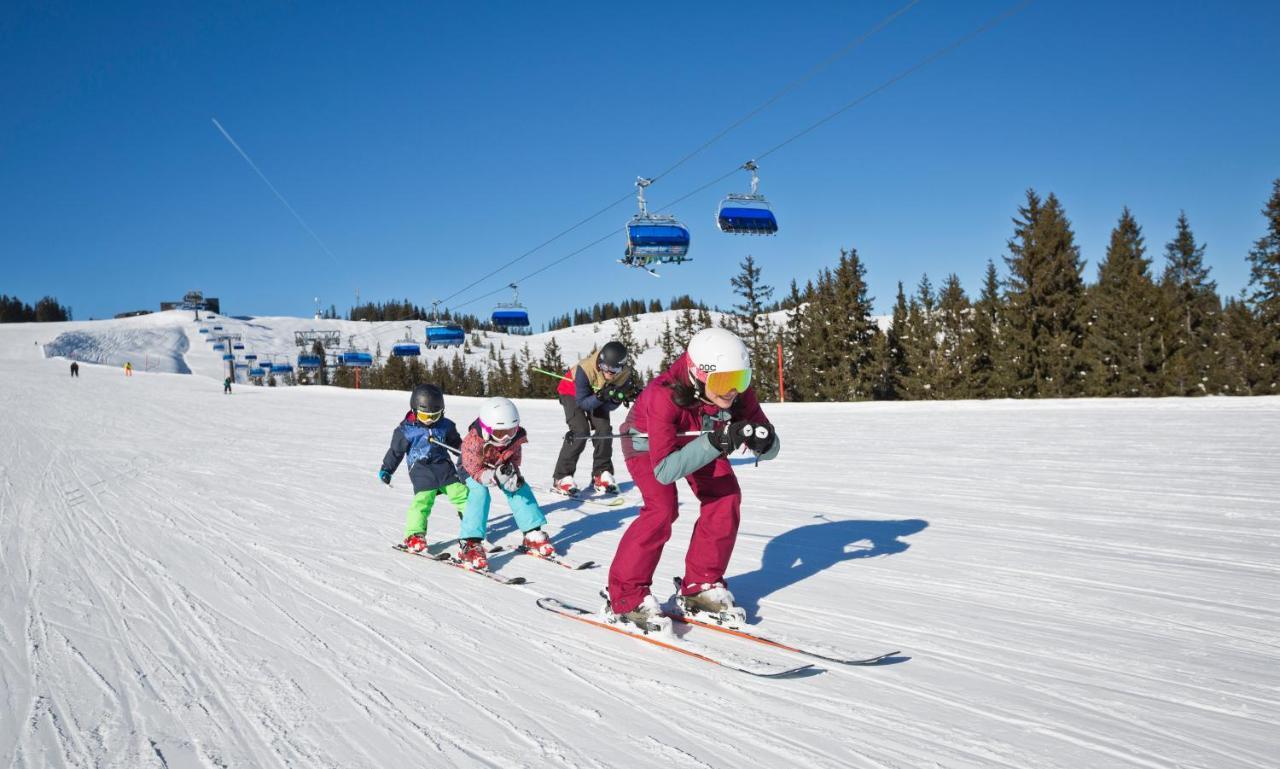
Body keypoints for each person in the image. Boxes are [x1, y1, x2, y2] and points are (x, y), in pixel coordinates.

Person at [606, 327, 780, 631]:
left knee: (725, 497)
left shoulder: (737, 393)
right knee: (661, 509)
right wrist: (717, 441)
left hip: (700, 439)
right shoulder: (664, 394)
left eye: (741, 379)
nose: (733, 391)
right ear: (697, 373)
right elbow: (665, 471)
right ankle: (625, 596)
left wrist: (764, 442)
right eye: (723, 382)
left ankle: (700, 585)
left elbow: (769, 442)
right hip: (646, 445)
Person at [457, 397, 555, 569]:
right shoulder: (472, 441)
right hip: (472, 470)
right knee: (480, 493)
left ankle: (532, 533)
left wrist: (512, 476)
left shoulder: (515, 439)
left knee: (519, 489)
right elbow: (473, 468)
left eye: (511, 430)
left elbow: (515, 460)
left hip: (499, 465)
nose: (506, 438)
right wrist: (489, 476)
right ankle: (470, 543)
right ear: (487, 429)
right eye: (501, 433)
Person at [379, 384, 469, 554]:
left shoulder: (445, 426)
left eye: (434, 416)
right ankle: (415, 535)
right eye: (424, 416)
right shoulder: (406, 431)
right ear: (414, 410)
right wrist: (387, 469)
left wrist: (467, 455)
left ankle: (471, 530)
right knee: (423, 501)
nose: (429, 421)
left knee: (462, 494)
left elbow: (456, 444)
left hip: (443, 466)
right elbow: (395, 452)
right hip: (421, 469)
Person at [551, 341, 640, 496]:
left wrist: (616, 398)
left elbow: (607, 408)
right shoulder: (585, 369)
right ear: (600, 362)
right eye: (606, 367)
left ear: (622, 366)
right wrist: (601, 396)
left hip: (597, 394)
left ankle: (601, 473)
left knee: (604, 429)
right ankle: (561, 477)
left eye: (615, 369)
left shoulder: (624, 375)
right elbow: (583, 403)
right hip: (572, 391)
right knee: (580, 430)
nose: (610, 373)